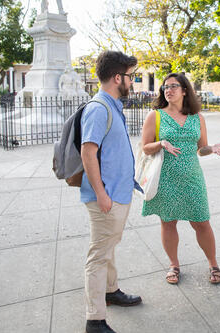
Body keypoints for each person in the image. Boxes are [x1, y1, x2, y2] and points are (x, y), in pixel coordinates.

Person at [141, 73, 220, 285]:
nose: (168, 90)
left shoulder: (197, 118)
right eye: (165, 87)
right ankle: (174, 265)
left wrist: (211, 148)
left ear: (185, 90)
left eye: (173, 86)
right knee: (168, 223)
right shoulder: (156, 116)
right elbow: (145, 147)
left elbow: (201, 149)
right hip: (166, 179)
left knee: (202, 223)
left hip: (192, 178)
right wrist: (161, 143)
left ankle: (213, 263)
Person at [80, 50, 142, 333]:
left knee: (108, 248)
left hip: (118, 192)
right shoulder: (99, 108)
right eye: (131, 76)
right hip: (106, 196)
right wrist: (102, 194)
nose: (133, 82)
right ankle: (95, 320)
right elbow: (88, 153)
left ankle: (110, 290)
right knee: (99, 254)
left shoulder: (112, 105)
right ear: (118, 77)